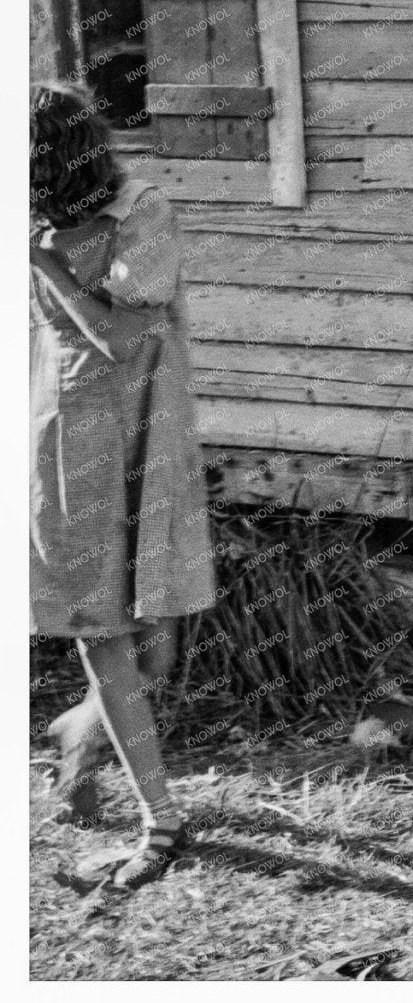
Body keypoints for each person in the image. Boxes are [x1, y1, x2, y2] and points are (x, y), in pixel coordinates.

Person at [31, 83, 217, 889]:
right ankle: (162, 823)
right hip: (64, 437)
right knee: (99, 631)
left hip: (144, 432)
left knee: (155, 641)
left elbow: (116, 334)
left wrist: (42, 257)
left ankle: (87, 726)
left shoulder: (140, 211)